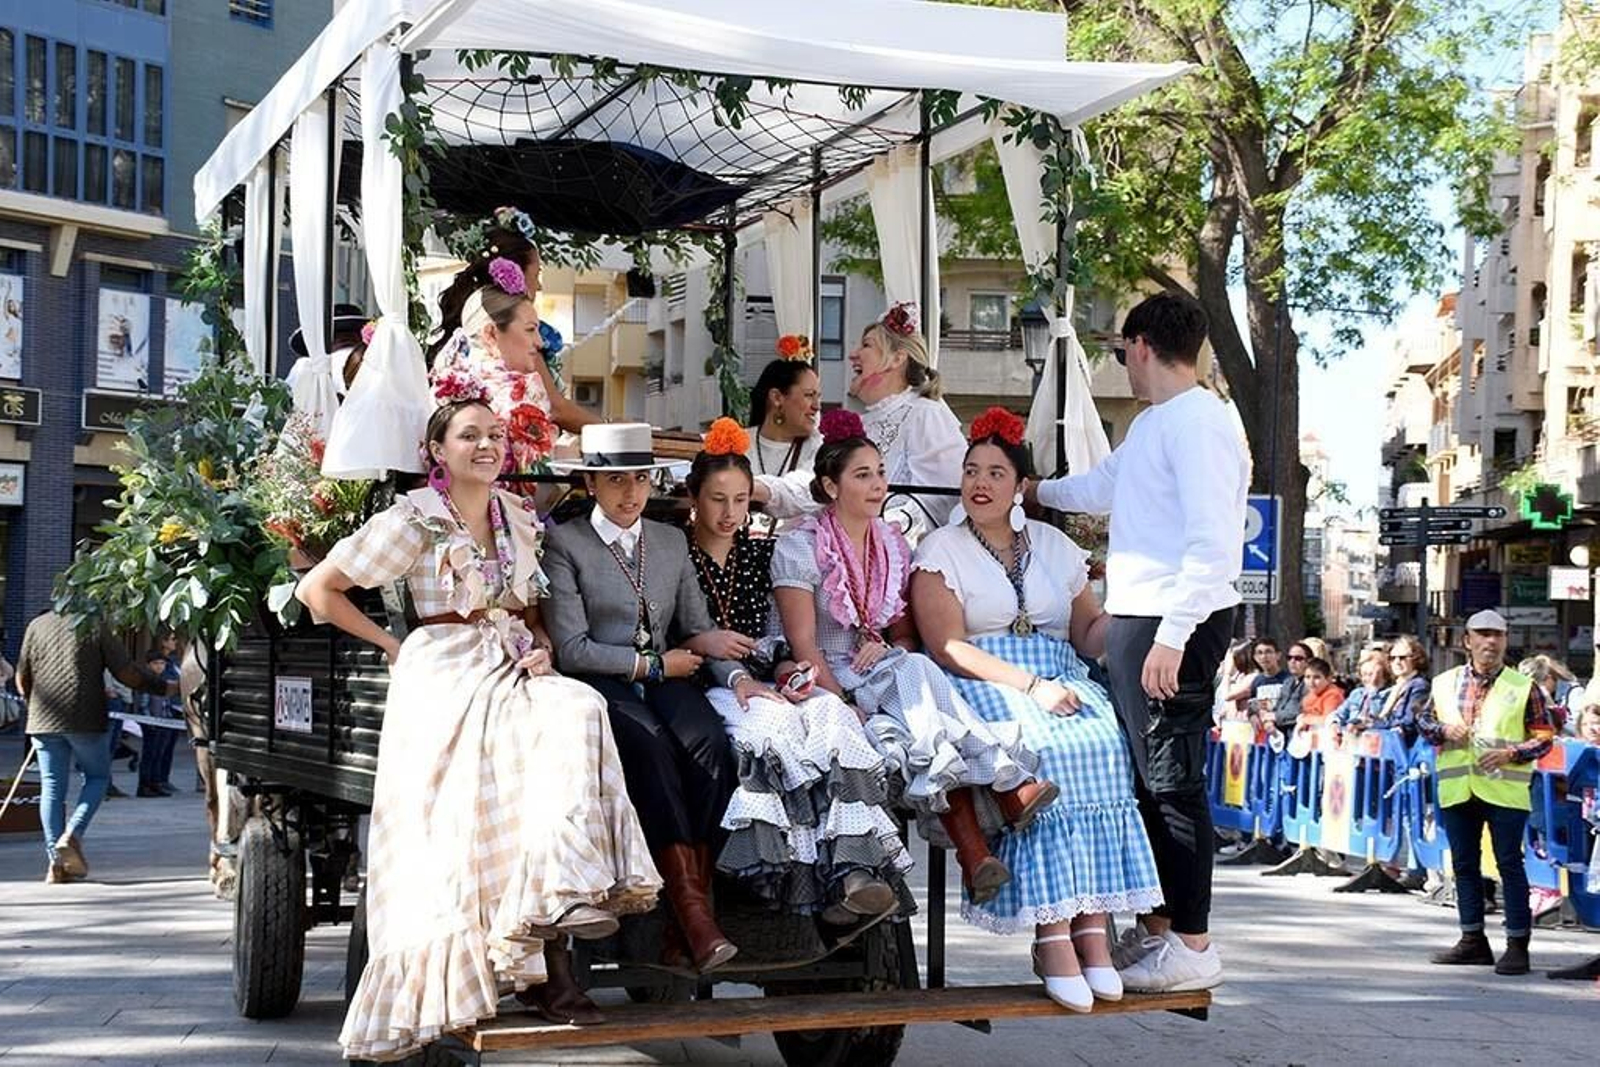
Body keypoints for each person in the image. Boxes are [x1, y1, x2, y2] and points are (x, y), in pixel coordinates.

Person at [298, 385, 661, 1060]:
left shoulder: (518, 514)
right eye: (469, 434)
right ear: (437, 451)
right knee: (496, 764)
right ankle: (539, 968)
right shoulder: (413, 518)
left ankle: (561, 896)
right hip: (441, 663)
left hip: (510, 658)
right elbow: (318, 589)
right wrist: (393, 644)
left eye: (494, 434)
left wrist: (541, 643)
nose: (487, 444)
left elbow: (524, 607)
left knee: (580, 707)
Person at [1030, 289, 1248, 993]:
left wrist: (1174, 638)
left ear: (1143, 345)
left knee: (1174, 782)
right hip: (1142, 618)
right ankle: (1161, 929)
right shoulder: (1158, 423)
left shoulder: (1202, 423)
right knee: (1150, 783)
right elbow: (1100, 487)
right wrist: (1035, 491)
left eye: (1123, 349)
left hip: (1170, 621)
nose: (1122, 362)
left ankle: (1192, 940)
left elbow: (1213, 544)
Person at [911, 407, 1164, 1011]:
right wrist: (1030, 686)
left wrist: (1142, 615)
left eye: (996, 472)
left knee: (1105, 743)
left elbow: (1088, 632)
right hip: (987, 680)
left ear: (1020, 484)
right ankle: (1052, 936)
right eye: (972, 470)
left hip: (1061, 674)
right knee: (1046, 752)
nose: (980, 482)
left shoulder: (1053, 544)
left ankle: (1092, 934)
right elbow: (947, 647)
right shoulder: (939, 547)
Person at [773, 409, 1055, 906]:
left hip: (873, 671)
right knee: (901, 724)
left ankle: (978, 852)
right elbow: (803, 646)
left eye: (881, 472)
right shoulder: (799, 546)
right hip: (818, 678)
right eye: (863, 475)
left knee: (915, 675)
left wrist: (886, 646)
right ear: (831, 486)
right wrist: (842, 703)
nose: (879, 484)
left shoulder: (891, 543)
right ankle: (1003, 796)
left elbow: (903, 637)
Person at [543, 422, 754, 974]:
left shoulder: (669, 540)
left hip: (669, 676)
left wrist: (738, 680)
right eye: (616, 480)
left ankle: (688, 917)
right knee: (652, 748)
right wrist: (651, 664)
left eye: (640, 479)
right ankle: (692, 918)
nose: (631, 492)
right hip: (602, 680)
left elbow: (697, 625)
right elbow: (571, 647)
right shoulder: (566, 543)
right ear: (591, 483)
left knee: (712, 748)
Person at [686, 419, 911, 923]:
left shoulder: (762, 553)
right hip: (707, 681)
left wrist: (788, 667)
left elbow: (781, 636)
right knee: (778, 730)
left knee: (832, 714)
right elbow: (671, 630)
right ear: (694, 498)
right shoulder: (676, 552)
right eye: (717, 499)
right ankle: (796, 878)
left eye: (741, 500)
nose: (730, 513)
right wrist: (718, 655)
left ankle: (856, 870)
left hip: (768, 676)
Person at [1416, 609, 1556, 976]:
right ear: (1468, 641)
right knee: (1464, 866)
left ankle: (1517, 945)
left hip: (1505, 791)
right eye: (1483, 634)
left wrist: (1512, 753)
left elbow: (1544, 738)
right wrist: (1444, 730)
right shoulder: (1444, 682)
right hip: (1459, 787)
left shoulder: (1524, 686)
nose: (1490, 641)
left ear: (1506, 640)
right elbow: (1423, 721)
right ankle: (1472, 941)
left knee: (1510, 865)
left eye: (1497, 635)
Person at [14, 610, 172, 883]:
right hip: (85, 716)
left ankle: (56, 862)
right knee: (98, 778)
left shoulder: (36, 624)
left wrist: (33, 705)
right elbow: (126, 673)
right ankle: (73, 834)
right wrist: (165, 688)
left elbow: (22, 675)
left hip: (43, 719)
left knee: (52, 787)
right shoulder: (95, 624)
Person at [429, 209, 597, 435]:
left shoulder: (476, 319)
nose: (538, 286)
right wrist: (609, 428)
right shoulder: (512, 338)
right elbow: (555, 407)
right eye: (536, 275)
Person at [848, 302, 965, 540]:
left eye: (866, 345)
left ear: (896, 358)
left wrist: (877, 534)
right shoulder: (861, 423)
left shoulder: (926, 414)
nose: (853, 354)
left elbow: (941, 501)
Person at [745, 358, 824, 534]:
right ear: (777, 398)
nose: (817, 406)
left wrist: (742, 487)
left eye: (818, 397)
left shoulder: (820, 447)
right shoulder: (737, 442)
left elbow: (808, 491)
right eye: (809, 395)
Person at [135, 632, 182, 797]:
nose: (160, 667)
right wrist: (150, 721)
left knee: (159, 754)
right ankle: (145, 785)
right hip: (152, 723)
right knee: (149, 754)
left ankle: (156, 783)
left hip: (165, 721)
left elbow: (167, 701)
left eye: (162, 664)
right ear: (149, 665)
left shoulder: (164, 680)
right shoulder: (148, 680)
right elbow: (143, 704)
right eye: (156, 664)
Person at [1328, 652, 1392, 738]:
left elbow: (1387, 722)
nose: (1367, 679)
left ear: (1383, 674)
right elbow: (1338, 713)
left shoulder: (1390, 695)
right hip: (1351, 740)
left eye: (1371, 674)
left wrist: (1364, 724)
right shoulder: (1357, 694)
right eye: (1364, 674)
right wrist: (1334, 724)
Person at [1215, 640, 1257, 722]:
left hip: (1245, 726)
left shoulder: (1253, 677)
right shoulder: (1241, 677)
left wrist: (1227, 674)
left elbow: (1226, 697)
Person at [1299, 658, 1347, 728]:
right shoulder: (1308, 697)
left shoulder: (1333, 695)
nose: (1311, 682)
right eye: (1307, 677)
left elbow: (1328, 719)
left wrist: (1305, 719)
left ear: (1328, 679)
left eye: (1316, 677)